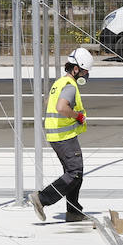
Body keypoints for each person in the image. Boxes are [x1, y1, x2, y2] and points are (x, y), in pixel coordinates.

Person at [28, 48, 92, 223]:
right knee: (74, 173)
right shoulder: (70, 87)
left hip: (58, 136)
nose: (86, 75)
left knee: (74, 172)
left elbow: (49, 101)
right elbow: (61, 108)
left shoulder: (59, 83)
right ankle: (42, 199)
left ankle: (73, 212)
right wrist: (78, 116)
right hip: (64, 137)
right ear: (76, 69)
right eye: (85, 71)